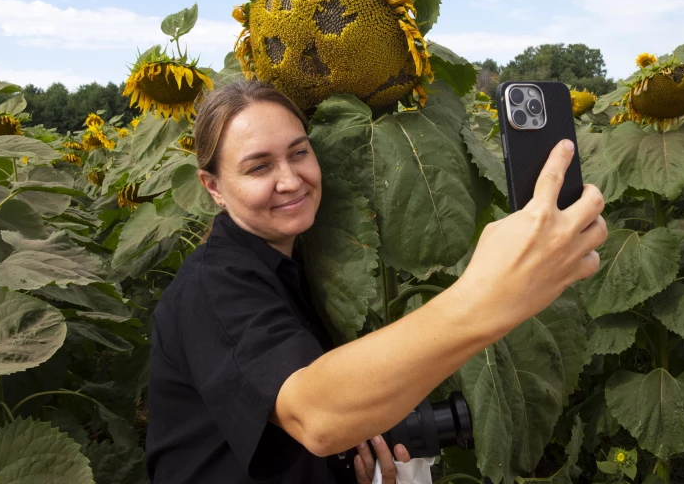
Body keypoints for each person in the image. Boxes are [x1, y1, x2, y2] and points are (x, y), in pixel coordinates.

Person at [145, 80, 607, 484]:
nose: (291, 180)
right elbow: (316, 415)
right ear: (213, 187)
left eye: (299, 152)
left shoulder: (309, 261)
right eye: (258, 167)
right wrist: (487, 296)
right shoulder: (213, 286)